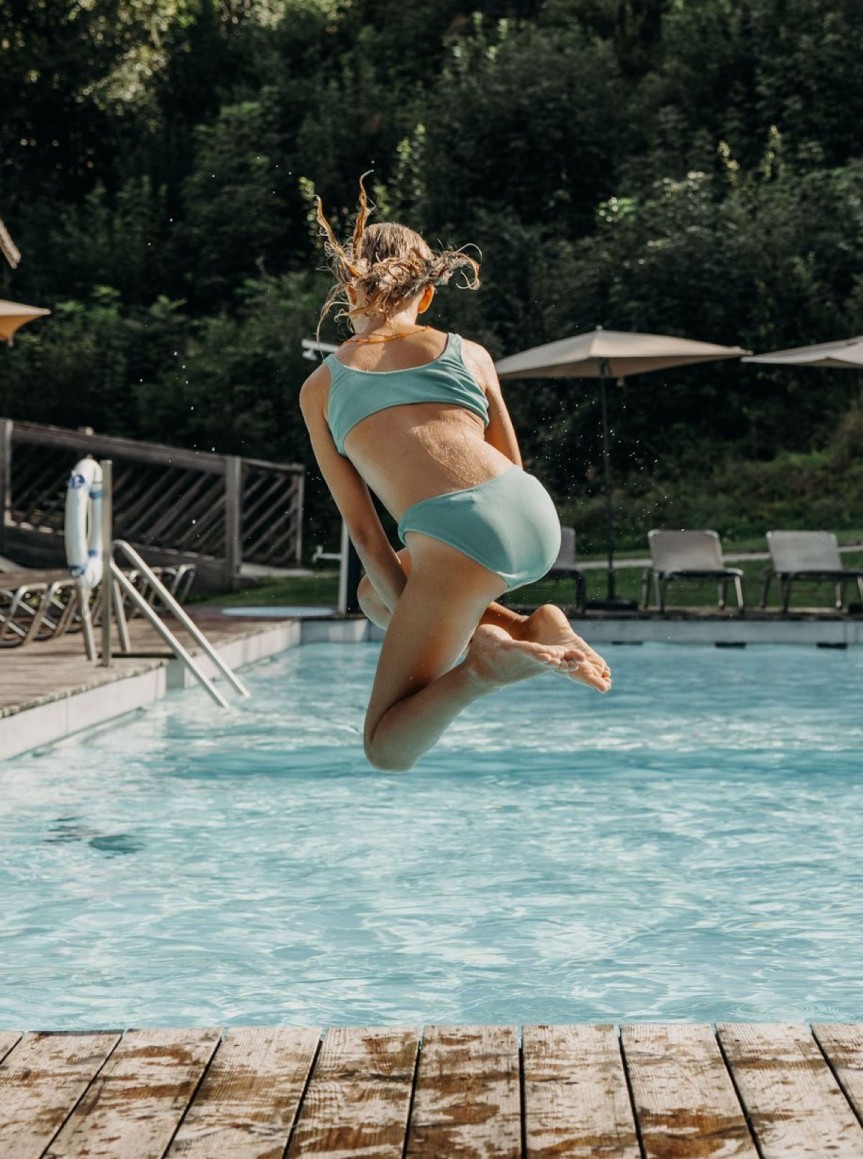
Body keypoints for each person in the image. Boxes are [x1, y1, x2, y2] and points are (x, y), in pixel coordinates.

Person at [300, 180, 611, 771]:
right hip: (529, 514)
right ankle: (534, 624)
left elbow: (366, 535)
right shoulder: (469, 352)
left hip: (459, 531)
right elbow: (513, 465)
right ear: (427, 294)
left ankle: (485, 667)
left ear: (348, 286)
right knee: (376, 597)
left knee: (386, 748)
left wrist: (449, 643)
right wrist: (426, 605)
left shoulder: (321, 386)